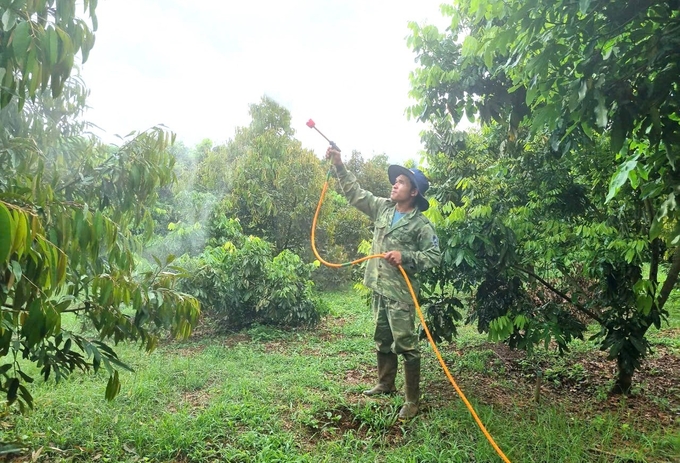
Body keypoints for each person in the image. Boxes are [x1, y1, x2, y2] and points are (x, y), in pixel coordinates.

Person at [325, 146, 441, 420]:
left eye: (401, 182)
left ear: (413, 192)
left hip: (401, 294)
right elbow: (355, 193)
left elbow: (434, 256)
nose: (394, 184)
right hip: (379, 287)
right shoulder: (383, 209)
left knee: (406, 345)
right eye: (395, 180)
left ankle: (412, 401)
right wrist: (339, 165)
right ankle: (385, 383)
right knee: (382, 339)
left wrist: (406, 256)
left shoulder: (421, 225)